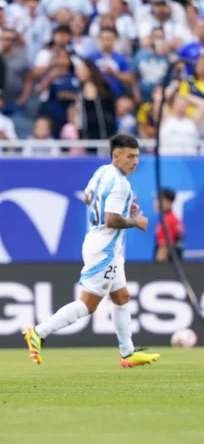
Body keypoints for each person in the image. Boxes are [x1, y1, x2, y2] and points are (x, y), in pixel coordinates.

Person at [23, 135, 161, 368]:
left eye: (137, 156)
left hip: (101, 244)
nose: (135, 161)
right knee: (88, 304)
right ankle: (38, 331)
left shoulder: (102, 172)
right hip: (105, 248)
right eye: (130, 156)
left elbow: (88, 197)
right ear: (116, 155)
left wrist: (125, 205)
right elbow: (111, 219)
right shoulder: (120, 184)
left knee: (122, 296)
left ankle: (127, 353)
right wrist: (136, 222)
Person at [154, 188, 184, 263]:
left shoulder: (168, 220)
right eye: (156, 200)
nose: (156, 203)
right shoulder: (173, 218)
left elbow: (164, 247)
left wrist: (156, 270)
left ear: (169, 202)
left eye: (160, 200)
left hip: (167, 268)